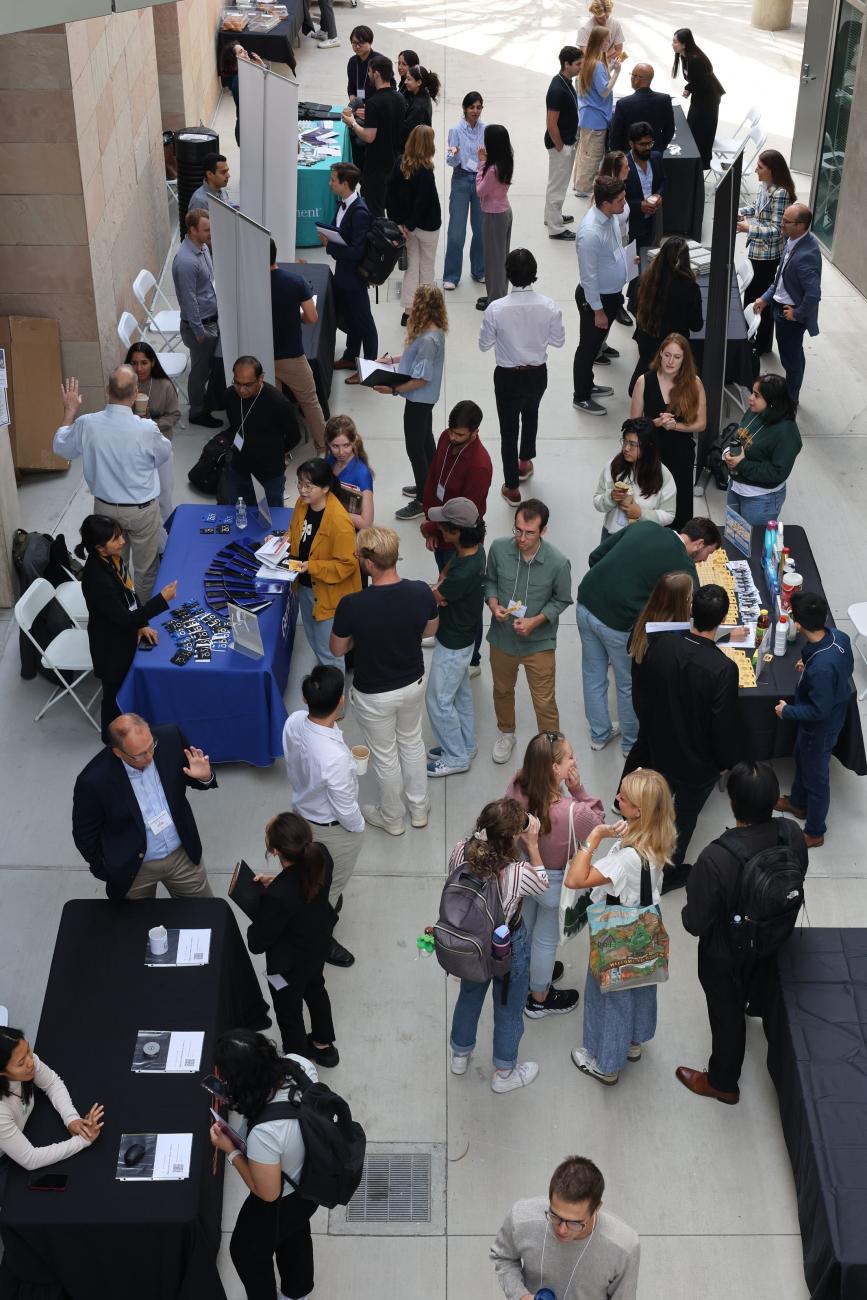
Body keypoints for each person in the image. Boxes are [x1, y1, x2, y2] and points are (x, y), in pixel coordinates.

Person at [677, 761, 808, 1104]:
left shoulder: (716, 858)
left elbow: (695, 923)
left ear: (734, 804)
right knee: (761, 976)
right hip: (775, 934)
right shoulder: (791, 833)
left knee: (725, 1011)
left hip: (726, 953)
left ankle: (722, 1082)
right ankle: (758, 1004)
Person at [625, 583, 743, 892]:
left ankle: (640, 851)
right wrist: (724, 763)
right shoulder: (724, 669)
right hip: (697, 765)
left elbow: (646, 695)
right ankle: (669, 872)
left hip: (661, 749)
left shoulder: (663, 646)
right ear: (721, 619)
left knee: (656, 805)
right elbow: (723, 726)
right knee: (686, 816)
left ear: (691, 612)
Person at [575, 516, 721, 756]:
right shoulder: (682, 565)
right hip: (618, 623)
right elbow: (692, 609)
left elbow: (595, 557)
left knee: (593, 674)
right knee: (627, 683)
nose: (706, 559)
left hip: (585, 604)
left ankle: (599, 735)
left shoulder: (645, 526)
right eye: (709, 552)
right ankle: (631, 743)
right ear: (699, 543)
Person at [566, 769, 677, 1085]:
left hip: (617, 926)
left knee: (609, 995)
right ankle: (633, 1042)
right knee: (640, 981)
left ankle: (606, 1063)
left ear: (639, 810)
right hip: (645, 919)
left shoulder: (625, 859)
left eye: (623, 797)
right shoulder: (659, 834)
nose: (617, 798)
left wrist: (596, 837)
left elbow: (576, 879)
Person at [330, 525, 439, 836]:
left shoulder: (353, 605)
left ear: (368, 563)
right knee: (412, 742)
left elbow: (337, 648)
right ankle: (419, 809)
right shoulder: (421, 591)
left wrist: (361, 637)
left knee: (385, 754)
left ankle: (392, 818)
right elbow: (430, 631)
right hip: (412, 684)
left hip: (373, 693)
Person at [209, 1030, 319, 1300]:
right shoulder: (299, 1064)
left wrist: (231, 1151)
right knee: (294, 1233)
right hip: (312, 1180)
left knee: (246, 1253)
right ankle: (297, 1292)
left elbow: (268, 1193)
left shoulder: (266, 1134)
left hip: (286, 1198)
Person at [448, 799, 548, 1092]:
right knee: (508, 1005)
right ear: (513, 837)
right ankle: (504, 1073)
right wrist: (533, 845)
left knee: (469, 995)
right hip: (507, 945)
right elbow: (542, 883)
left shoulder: (459, 851)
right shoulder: (516, 873)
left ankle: (460, 1054)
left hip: (472, 944)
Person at [507, 732, 604, 1017]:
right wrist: (579, 790)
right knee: (545, 940)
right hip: (553, 882)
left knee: (525, 929)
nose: (575, 761)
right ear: (554, 769)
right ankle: (539, 996)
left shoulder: (517, 785)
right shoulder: (573, 811)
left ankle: (525, 975)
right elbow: (599, 822)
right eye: (570, 756)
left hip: (524, 872)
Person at [72, 712, 217, 899]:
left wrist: (205, 777)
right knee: (137, 927)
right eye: (140, 755)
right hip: (134, 869)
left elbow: (194, 774)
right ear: (117, 752)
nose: (150, 757)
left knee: (203, 915)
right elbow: (84, 834)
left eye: (151, 746)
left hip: (183, 858)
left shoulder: (170, 737)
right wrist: (107, 870)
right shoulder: (93, 781)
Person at [53, 370, 170, 602]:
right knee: (146, 570)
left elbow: (61, 447)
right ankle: (144, 622)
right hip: (142, 512)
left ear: (107, 391)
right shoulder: (146, 429)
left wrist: (70, 410)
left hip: (105, 512)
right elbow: (163, 455)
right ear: (136, 394)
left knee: (114, 568)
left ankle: (123, 612)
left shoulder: (87, 424)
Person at [282, 665, 365, 967]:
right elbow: (345, 808)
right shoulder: (336, 758)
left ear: (305, 699)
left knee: (311, 877)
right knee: (327, 890)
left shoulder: (293, 722)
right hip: (330, 828)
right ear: (341, 701)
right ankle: (320, 939)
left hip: (302, 812)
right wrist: (358, 828)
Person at [247, 814, 339, 1066]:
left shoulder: (277, 897)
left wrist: (260, 906)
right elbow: (299, 887)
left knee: (289, 1014)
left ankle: (299, 1065)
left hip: (286, 967)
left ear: (275, 851)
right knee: (316, 988)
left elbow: (256, 943)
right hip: (318, 947)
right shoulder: (321, 856)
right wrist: (277, 882)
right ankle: (323, 1045)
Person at [485, 499, 572, 764]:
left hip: (539, 642)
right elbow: (490, 581)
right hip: (503, 638)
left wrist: (535, 621)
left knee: (544, 700)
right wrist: (493, 604)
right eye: (518, 530)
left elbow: (562, 600)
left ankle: (549, 748)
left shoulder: (558, 563)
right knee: (501, 689)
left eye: (529, 532)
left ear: (543, 531)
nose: (521, 538)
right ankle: (506, 732)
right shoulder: (499, 549)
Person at [479, 248, 566, 506]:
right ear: (534, 274)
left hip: (507, 376)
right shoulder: (549, 306)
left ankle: (512, 487)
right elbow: (559, 341)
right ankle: (525, 461)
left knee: (508, 431)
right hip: (538, 374)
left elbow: (484, 345)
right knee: (531, 413)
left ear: (507, 274)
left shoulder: (496, 309)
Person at [74, 515, 175, 736]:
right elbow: (125, 618)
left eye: (120, 535)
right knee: (114, 695)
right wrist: (162, 600)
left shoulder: (113, 560)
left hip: (124, 633)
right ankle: (111, 739)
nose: (122, 542)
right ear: (100, 548)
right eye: (116, 539)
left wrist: (142, 625)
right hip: (110, 647)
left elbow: (129, 596)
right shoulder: (97, 580)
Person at [491, 1155, 640, 1300]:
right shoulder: (521, 1218)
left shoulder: (623, 1246)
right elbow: (503, 1257)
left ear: (596, 1208)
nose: (562, 1230)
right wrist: (520, 1295)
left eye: (575, 1222)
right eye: (555, 1216)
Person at [774, 590, 855, 848]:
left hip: (819, 728)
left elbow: (818, 711)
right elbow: (839, 666)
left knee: (817, 779)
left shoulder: (821, 669)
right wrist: (806, 661)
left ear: (797, 624)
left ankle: (815, 831)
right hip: (829, 715)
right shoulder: (837, 637)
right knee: (802, 758)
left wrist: (788, 711)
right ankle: (797, 803)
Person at [369, 284, 447, 521]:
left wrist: (393, 389)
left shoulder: (428, 339)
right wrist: (390, 360)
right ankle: (430, 485)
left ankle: (424, 500)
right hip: (425, 400)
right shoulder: (431, 331)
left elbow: (422, 378)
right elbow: (413, 356)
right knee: (425, 440)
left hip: (419, 400)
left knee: (415, 447)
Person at [424, 499, 486, 777]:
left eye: (444, 527)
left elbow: (434, 596)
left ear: (457, 532)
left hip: (453, 643)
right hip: (463, 638)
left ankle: (457, 756)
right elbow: (445, 577)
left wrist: (437, 591)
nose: (439, 529)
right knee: (460, 695)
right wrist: (441, 586)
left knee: (437, 701)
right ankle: (466, 744)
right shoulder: (473, 552)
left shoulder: (464, 572)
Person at [288, 459, 361, 672]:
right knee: (313, 637)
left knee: (328, 651)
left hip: (328, 595)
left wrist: (311, 566)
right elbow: (295, 532)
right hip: (305, 585)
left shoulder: (340, 523)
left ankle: (333, 696)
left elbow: (347, 565)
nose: (302, 490)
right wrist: (280, 543)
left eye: (309, 486)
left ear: (326, 488)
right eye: (300, 483)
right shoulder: (303, 504)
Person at [631, 333, 707, 530]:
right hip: (651, 454)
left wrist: (676, 426)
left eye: (677, 357)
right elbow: (633, 424)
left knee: (680, 506)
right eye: (667, 355)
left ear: (684, 360)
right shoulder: (644, 381)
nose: (670, 361)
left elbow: (701, 424)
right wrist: (656, 422)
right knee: (650, 503)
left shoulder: (694, 383)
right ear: (660, 355)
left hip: (681, 455)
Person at [0, 1027, 103, 1171]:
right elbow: (31, 1159)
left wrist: (71, 1118)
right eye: (21, 1063)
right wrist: (82, 1140)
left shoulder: (28, 1062)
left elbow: (52, 1083)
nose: (31, 1062)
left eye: (29, 1051)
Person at [753, 203, 822, 405]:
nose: (781, 224)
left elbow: (814, 293)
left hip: (789, 317)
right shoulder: (793, 240)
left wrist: (797, 314)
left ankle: (790, 402)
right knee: (795, 355)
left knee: (790, 362)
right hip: (777, 305)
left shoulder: (805, 256)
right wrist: (765, 298)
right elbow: (780, 279)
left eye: (786, 221)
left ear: (800, 226)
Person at [572, 175, 627, 417]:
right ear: (606, 203)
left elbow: (613, 250)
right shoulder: (590, 233)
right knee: (588, 348)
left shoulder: (611, 218)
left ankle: (589, 385)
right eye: (620, 200)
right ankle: (581, 396)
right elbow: (588, 277)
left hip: (611, 296)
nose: (624, 204)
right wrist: (598, 310)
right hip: (597, 300)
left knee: (595, 345)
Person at [737, 150, 797, 356]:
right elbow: (756, 208)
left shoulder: (781, 194)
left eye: (760, 167)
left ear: (772, 170)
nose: (756, 170)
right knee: (751, 297)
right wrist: (740, 213)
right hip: (757, 252)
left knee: (760, 299)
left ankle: (761, 343)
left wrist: (749, 229)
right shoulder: (765, 187)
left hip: (768, 257)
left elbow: (777, 229)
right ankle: (748, 337)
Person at [269, 239, 327, 454]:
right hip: (291, 355)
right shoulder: (295, 281)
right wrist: (298, 316)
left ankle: (278, 449)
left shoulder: (250, 283)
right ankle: (322, 446)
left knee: (273, 406)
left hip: (262, 354)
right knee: (309, 401)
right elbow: (312, 317)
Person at [322, 163, 379, 376]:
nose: (330, 183)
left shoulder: (360, 212)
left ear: (345, 183)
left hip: (354, 276)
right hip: (343, 273)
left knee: (364, 321)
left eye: (333, 180)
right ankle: (350, 356)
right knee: (352, 317)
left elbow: (357, 251)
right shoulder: (344, 204)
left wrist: (331, 245)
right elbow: (337, 227)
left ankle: (371, 368)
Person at [724, 374, 803, 526]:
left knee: (756, 545)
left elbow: (777, 472)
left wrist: (742, 464)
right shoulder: (754, 412)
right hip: (736, 488)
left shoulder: (786, 433)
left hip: (760, 500)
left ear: (772, 401)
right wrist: (727, 452)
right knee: (735, 541)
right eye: (752, 392)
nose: (750, 398)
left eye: (757, 395)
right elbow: (739, 435)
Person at [421, 400, 492, 565]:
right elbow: (433, 477)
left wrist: (430, 527)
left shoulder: (479, 466)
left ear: (475, 432)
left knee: (451, 582)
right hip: (439, 526)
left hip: (457, 540)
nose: (452, 437)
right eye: (452, 431)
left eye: (459, 435)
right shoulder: (446, 437)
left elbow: (465, 515)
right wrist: (429, 517)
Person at [222, 355, 299, 508]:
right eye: (237, 383)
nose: (242, 389)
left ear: (261, 378)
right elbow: (234, 425)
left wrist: (274, 451)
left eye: (248, 385)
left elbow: (294, 436)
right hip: (239, 468)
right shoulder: (230, 395)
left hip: (269, 473)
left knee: (273, 515)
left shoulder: (278, 402)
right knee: (236, 511)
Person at [631, 237, 703, 391]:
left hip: (646, 342)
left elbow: (633, 306)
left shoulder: (647, 278)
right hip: (672, 349)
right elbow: (697, 326)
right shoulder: (690, 288)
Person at [386, 124, 442, 324]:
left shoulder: (399, 163)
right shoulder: (426, 171)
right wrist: (410, 224)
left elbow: (390, 195)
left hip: (407, 229)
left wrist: (401, 224)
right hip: (426, 227)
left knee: (412, 268)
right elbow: (422, 203)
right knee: (427, 268)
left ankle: (408, 311)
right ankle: (424, 311)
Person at [171, 207, 221, 427]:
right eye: (206, 229)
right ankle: (197, 411)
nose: (211, 232)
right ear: (192, 230)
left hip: (212, 319)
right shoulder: (186, 262)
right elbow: (189, 300)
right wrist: (199, 331)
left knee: (209, 366)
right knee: (200, 370)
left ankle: (210, 401)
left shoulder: (203, 248)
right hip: (200, 327)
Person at [342, 54, 405, 218]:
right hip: (396, 163)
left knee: (375, 215)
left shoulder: (374, 102)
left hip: (376, 169)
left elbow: (369, 136)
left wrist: (352, 123)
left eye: (369, 72)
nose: (368, 75)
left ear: (376, 74)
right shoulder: (400, 98)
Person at [124, 342, 180, 527]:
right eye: (134, 363)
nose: (139, 368)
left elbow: (174, 415)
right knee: (136, 496)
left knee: (164, 495)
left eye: (144, 363)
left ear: (153, 363)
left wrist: (150, 424)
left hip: (159, 448)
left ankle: (168, 537)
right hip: (132, 449)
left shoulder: (164, 386)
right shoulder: (124, 385)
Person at [593, 417, 676, 539]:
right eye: (625, 442)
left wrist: (641, 514)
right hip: (612, 536)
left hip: (643, 540)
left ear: (648, 446)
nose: (626, 448)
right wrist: (610, 497)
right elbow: (597, 501)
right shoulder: (613, 466)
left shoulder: (663, 475)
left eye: (632, 444)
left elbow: (669, 515)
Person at [573, 25, 623, 198]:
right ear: (601, 42)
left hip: (589, 116)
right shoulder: (598, 65)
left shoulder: (590, 62)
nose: (610, 42)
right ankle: (584, 188)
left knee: (585, 153)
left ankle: (580, 184)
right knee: (592, 156)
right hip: (596, 119)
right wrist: (617, 72)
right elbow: (604, 90)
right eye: (608, 39)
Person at [443, 91, 486, 291]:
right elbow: (450, 160)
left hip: (479, 180)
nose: (475, 111)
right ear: (465, 108)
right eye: (472, 107)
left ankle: (479, 270)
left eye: (478, 107)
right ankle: (451, 275)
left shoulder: (485, 130)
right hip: (461, 179)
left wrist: (484, 158)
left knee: (480, 230)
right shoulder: (456, 130)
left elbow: (487, 159)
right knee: (456, 232)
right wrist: (455, 154)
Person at [623, 121, 665, 312]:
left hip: (652, 222)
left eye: (650, 143)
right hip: (631, 225)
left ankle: (634, 301)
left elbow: (662, 182)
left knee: (645, 265)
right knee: (630, 267)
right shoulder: (624, 165)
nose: (648, 148)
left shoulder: (656, 158)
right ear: (631, 144)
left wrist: (659, 196)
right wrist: (638, 205)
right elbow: (617, 198)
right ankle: (621, 305)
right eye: (643, 144)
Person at [543, 46, 583, 240]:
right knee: (557, 187)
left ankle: (552, 216)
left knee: (556, 184)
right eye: (578, 64)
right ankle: (556, 228)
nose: (581, 67)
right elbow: (551, 124)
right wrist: (562, 148)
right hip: (560, 145)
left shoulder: (565, 81)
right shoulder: (558, 89)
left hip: (566, 141)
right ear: (566, 64)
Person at [671, 29, 725, 168]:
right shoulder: (684, 56)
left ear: (684, 44)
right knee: (691, 128)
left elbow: (702, 82)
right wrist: (690, 87)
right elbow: (697, 80)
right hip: (700, 98)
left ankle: (699, 165)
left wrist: (689, 88)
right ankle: (692, 163)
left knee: (700, 133)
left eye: (675, 41)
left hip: (708, 102)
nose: (673, 44)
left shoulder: (694, 60)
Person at [475, 124, 514, 311]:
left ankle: (495, 300)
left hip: (494, 215)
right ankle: (495, 294)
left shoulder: (492, 169)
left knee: (494, 260)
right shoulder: (506, 160)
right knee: (500, 257)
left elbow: (480, 191)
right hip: (504, 211)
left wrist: (481, 163)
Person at [609, 62, 675, 153]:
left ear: (637, 78)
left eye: (632, 75)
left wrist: (619, 155)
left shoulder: (623, 104)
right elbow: (670, 129)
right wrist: (660, 146)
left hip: (630, 155)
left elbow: (615, 135)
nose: (631, 78)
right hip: (655, 152)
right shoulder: (665, 100)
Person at [324, 414, 375, 531]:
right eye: (335, 446)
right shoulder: (329, 461)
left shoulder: (362, 474)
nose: (341, 452)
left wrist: (330, 510)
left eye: (346, 445)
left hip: (348, 532)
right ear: (328, 443)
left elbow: (366, 522)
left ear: (354, 442)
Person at [401, 64, 440, 143]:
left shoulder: (419, 106)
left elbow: (407, 132)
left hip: (414, 150)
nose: (405, 82)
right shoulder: (417, 96)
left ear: (419, 82)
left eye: (409, 79)